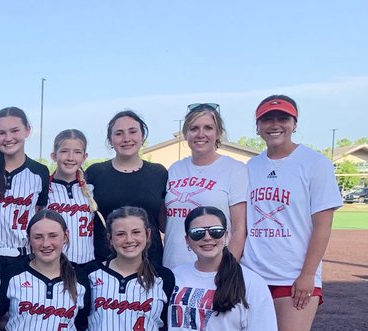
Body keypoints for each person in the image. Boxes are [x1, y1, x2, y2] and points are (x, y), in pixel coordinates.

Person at [241, 95, 341, 331]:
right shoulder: (250, 167)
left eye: (282, 119)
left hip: (294, 278)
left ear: (295, 123)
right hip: (255, 276)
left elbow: (323, 224)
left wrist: (306, 274)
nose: (274, 125)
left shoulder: (314, 164)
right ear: (258, 126)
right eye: (267, 120)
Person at [162, 103, 248, 268]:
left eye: (208, 128)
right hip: (174, 267)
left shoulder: (235, 170)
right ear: (186, 134)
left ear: (218, 133)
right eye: (194, 128)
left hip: (214, 269)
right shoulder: (175, 169)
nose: (200, 134)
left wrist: (227, 269)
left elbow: (239, 229)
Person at [85, 110, 167, 264]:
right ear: (110, 140)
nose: (126, 138)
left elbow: (165, 223)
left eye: (132, 131)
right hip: (105, 264)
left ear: (142, 136)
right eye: (119, 133)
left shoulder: (159, 173)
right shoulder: (95, 173)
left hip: (150, 264)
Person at [0, 107, 50, 259]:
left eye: (15, 131)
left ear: (27, 130)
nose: (8, 138)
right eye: (1, 133)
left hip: (24, 256)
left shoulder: (39, 172)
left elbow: (37, 213)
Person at [46, 129, 97, 265]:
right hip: (53, 266)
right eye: (64, 151)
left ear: (85, 156)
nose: (70, 157)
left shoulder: (91, 190)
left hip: (87, 265)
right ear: (54, 155)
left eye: (77, 152)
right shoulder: (44, 190)